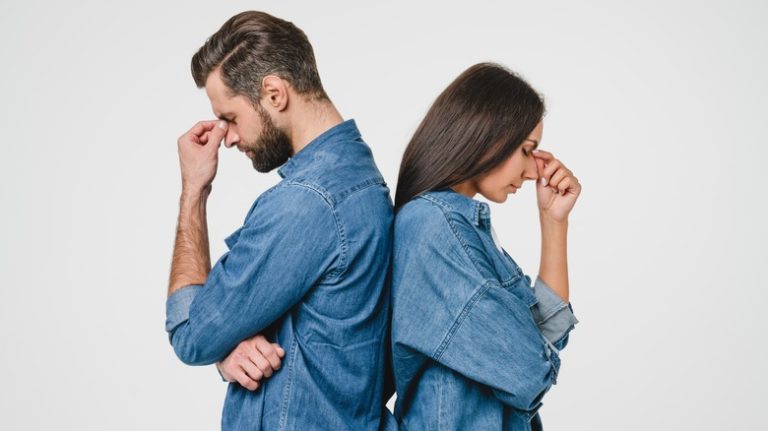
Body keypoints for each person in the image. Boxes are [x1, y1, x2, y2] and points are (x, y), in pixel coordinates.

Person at [165, 11, 395, 430]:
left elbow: (189, 332)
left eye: (231, 118)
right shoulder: (361, 180)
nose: (228, 137)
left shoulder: (305, 204)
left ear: (274, 93)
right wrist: (229, 347)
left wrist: (194, 189)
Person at [390, 63, 581, 430]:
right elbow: (529, 369)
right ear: (487, 136)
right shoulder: (436, 226)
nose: (532, 171)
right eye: (527, 150)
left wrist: (554, 222)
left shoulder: (458, 227)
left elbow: (548, 335)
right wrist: (536, 354)